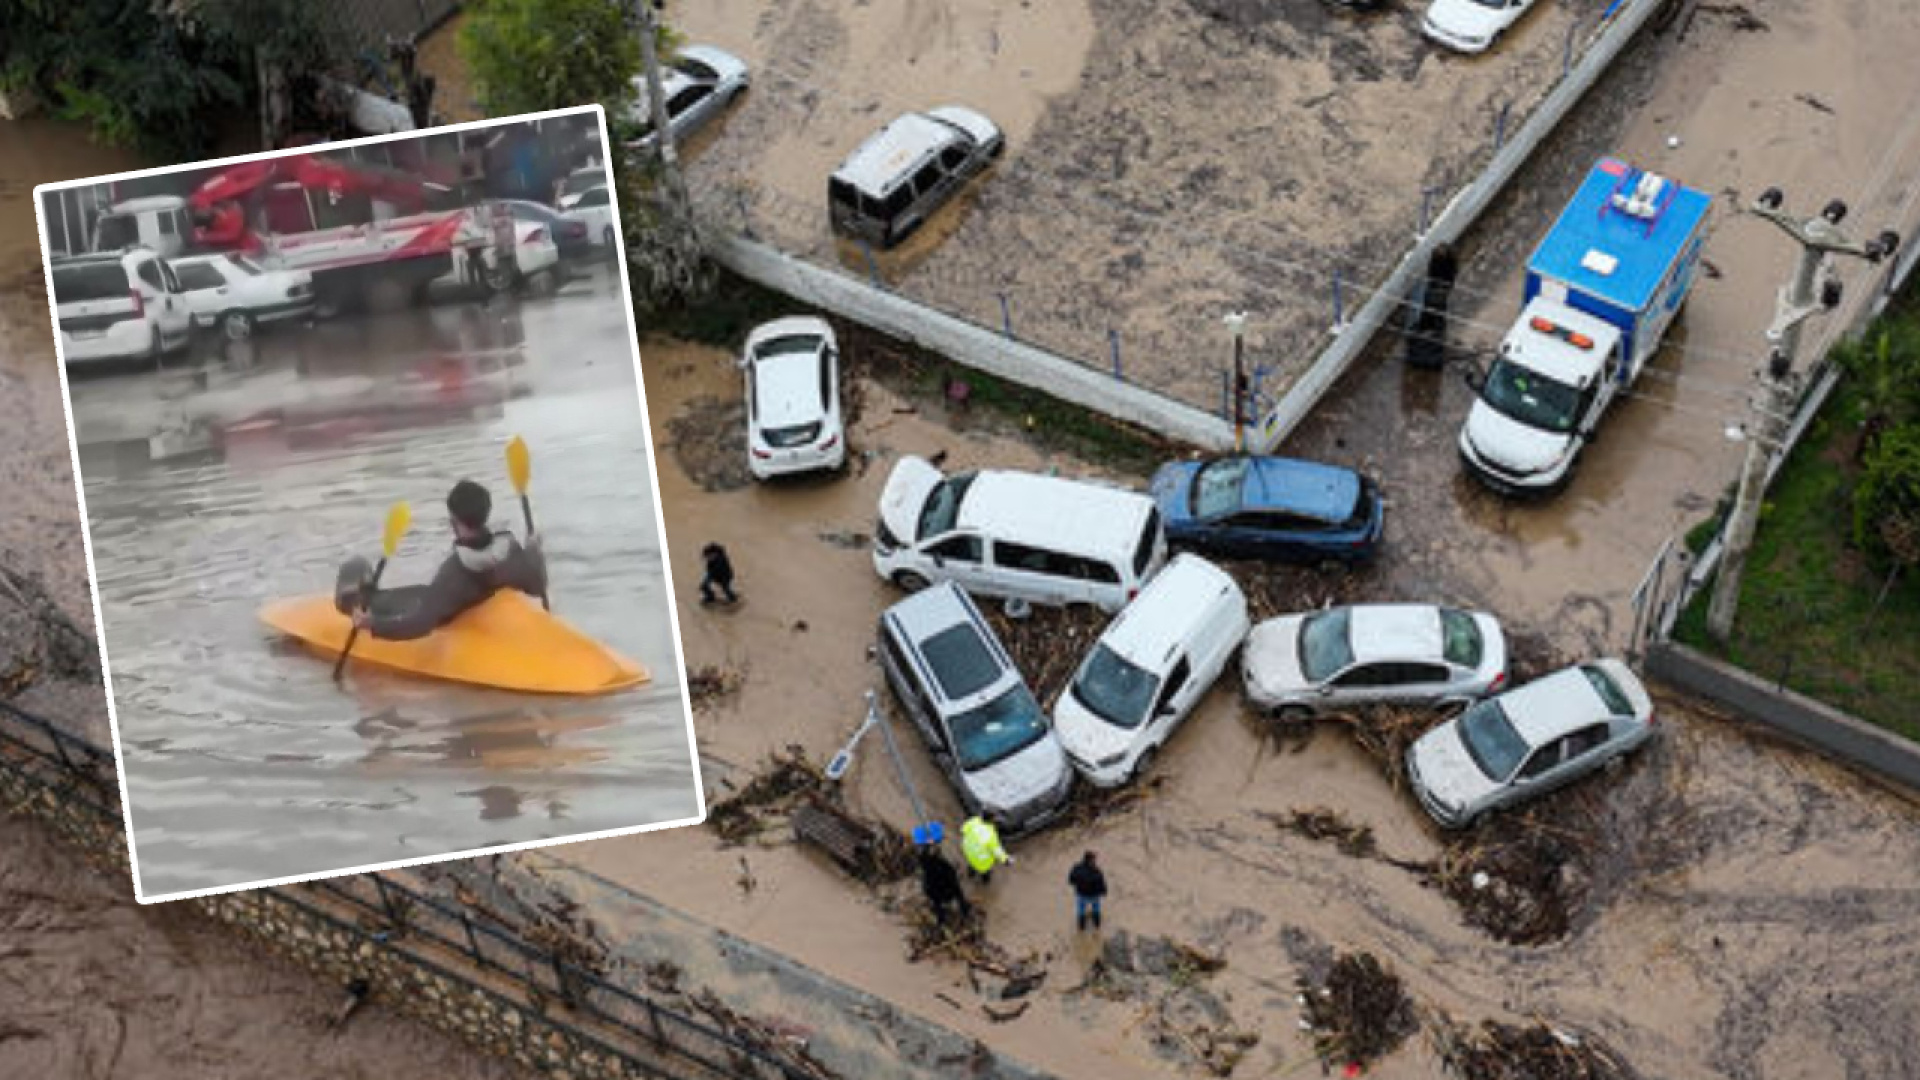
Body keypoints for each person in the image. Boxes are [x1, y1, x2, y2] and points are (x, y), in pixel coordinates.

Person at [335, 479, 546, 641]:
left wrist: (372, 625)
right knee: (414, 593)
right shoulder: (510, 549)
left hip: (446, 611)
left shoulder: (455, 572)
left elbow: (421, 623)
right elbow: (537, 584)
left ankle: (356, 600)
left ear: (453, 520)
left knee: (372, 592)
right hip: (474, 610)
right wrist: (534, 551)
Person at [913, 823, 970, 927]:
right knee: (958, 892)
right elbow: (952, 876)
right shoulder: (943, 866)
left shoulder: (925, 864)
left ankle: (941, 919)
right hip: (946, 891)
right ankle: (965, 910)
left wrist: (928, 845)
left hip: (934, 892)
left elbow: (923, 857)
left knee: (936, 902)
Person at [960, 813, 1011, 884]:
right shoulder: (990, 834)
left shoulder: (973, 821)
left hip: (968, 851)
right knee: (984, 871)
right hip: (982, 860)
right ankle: (985, 881)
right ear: (991, 820)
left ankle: (970, 874)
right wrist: (1006, 860)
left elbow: (963, 830)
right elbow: (997, 851)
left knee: (971, 864)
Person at [1069, 851, 1108, 932]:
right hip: (1094, 896)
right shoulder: (1096, 871)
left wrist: (1078, 883)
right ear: (1090, 860)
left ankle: (1081, 930)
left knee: (1081, 912)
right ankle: (1097, 929)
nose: (1095, 861)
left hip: (1081, 894)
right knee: (1096, 911)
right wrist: (1104, 892)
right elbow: (1101, 884)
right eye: (1094, 859)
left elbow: (1071, 880)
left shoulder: (1077, 868)